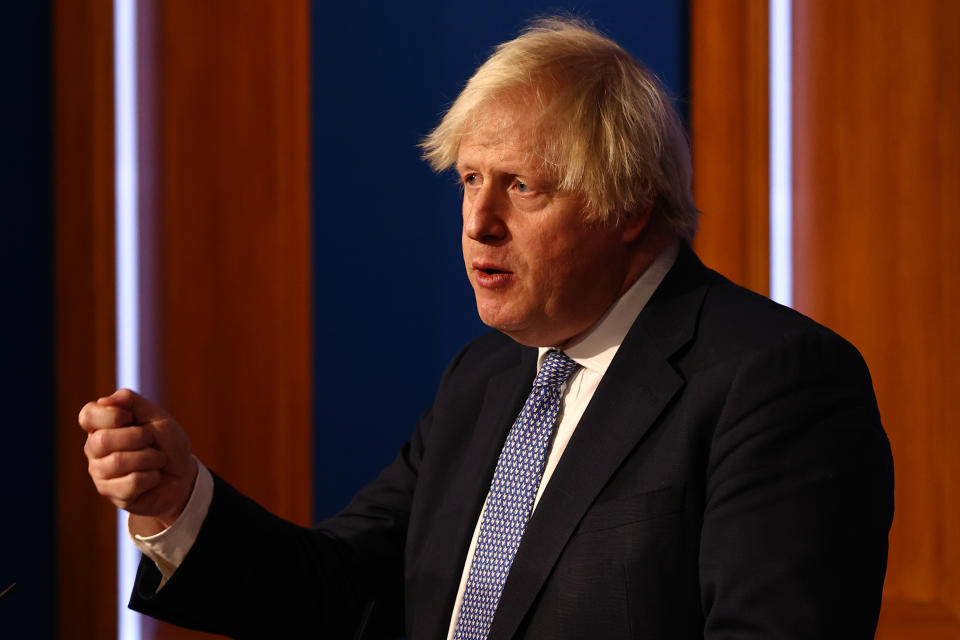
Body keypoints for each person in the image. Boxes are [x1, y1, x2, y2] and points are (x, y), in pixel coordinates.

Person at [80, 18, 894, 640]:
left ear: (629, 208)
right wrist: (177, 503)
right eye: (470, 179)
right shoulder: (488, 377)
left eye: (522, 187)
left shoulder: (775, 381)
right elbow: (343, 590)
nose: (477, 222)